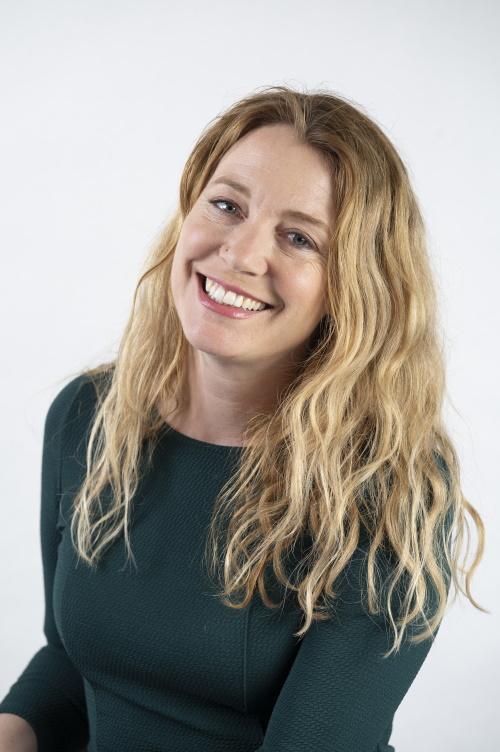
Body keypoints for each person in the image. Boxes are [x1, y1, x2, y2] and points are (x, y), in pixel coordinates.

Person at [0, 85, 486, 752]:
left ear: (354, 286)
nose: (241, 253)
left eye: (298, 237)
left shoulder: (386, 492)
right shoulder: (89, 415)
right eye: (227, 205)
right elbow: (72, 667)